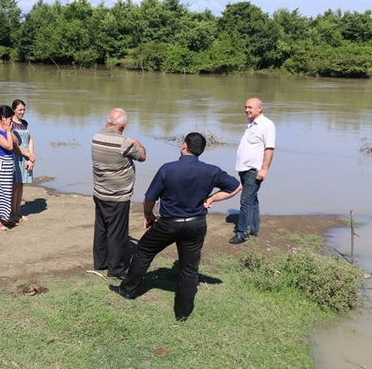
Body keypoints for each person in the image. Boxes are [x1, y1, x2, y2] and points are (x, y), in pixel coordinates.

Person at [112, 132, 241, 322]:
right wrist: (212, 198)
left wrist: (148, 215)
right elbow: (236, 186)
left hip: (169, 224)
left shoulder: (168, 169)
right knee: (189, 268)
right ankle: (183, 313)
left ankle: (128, 290)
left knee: (144, 251)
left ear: (184, 146)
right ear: (201, 150)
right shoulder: (211, 170)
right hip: (196, 224)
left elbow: (150, 198)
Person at [91, 108, 146, 279]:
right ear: (123, 124)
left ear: (108, 121)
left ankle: (100, 262)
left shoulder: (96, 137)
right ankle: (116, 269)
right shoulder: (124, 143)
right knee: (117, 233)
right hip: (118, 195)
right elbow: (143, 157)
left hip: (100, 191)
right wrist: (138, 143)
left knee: (102, 228)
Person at [230, 97, 276, 244]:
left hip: (254, 170)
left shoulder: (266, 125)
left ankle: (242, 233)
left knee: (245, 201)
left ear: (259, 108)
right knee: (252, 199)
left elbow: (269, 149)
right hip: (244, 168)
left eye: (250, 107)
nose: (247, 110)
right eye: (246, 107)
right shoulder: (250, 123)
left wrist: (264, 169)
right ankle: (254, 229)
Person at [10, 99, 36, 223]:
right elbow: (13, 145)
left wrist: (31, 157)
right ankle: (12, 213)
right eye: (20, 110)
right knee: (14, 186)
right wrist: (27, 154)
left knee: (21, 185)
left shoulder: (25, 123)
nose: (22, 112)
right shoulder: (10, 123)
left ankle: (18, 211)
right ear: (14, 110)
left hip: (26, 157)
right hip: (16, 156)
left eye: (24, 110)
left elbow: (30, 139)